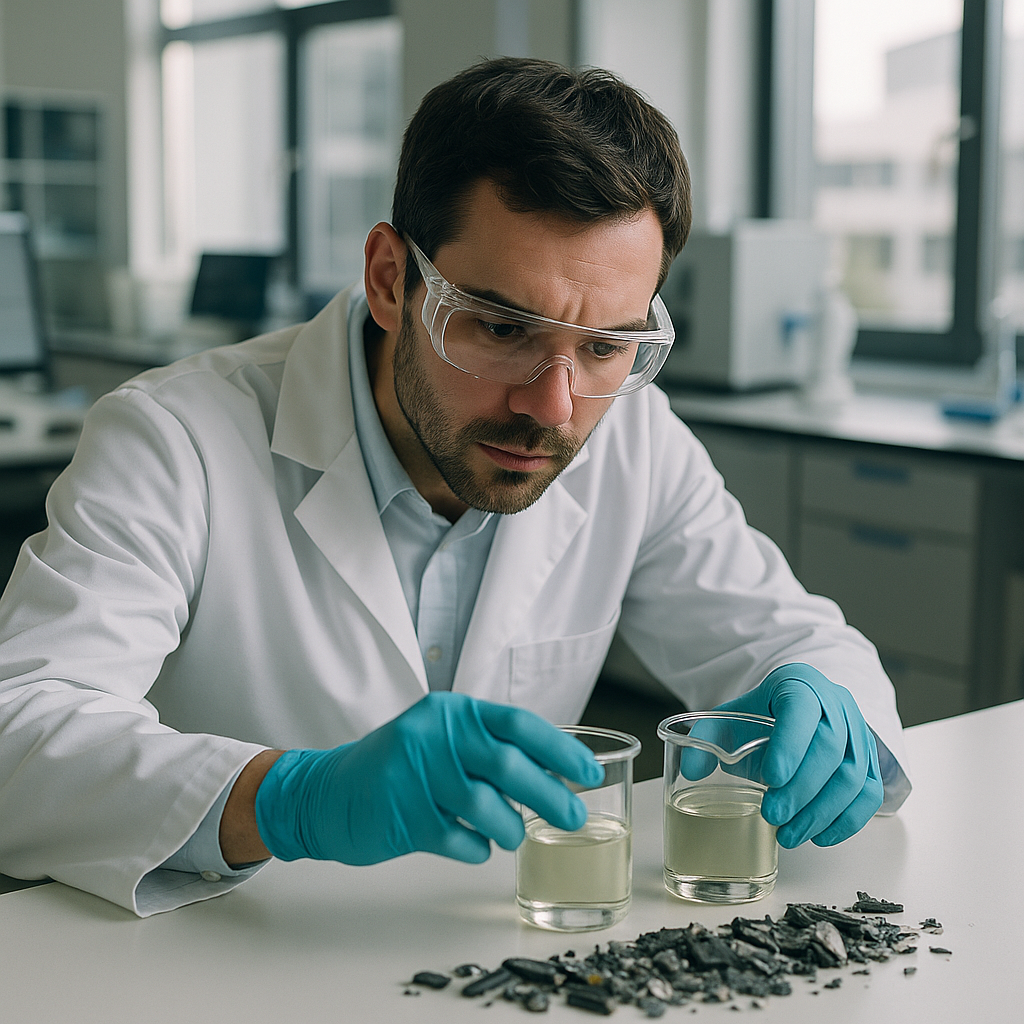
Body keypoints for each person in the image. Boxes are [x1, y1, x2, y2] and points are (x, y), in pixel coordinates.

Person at [0, 57, 909, 917]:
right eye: (505, 329)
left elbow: (792, 639)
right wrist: (288, 799)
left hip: (485, 949)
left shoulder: (631, 435)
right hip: (224, 944)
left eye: (604, 347)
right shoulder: (175, 438)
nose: (552, 407)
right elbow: (22, 738)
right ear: (394, 280)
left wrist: (822, 700)